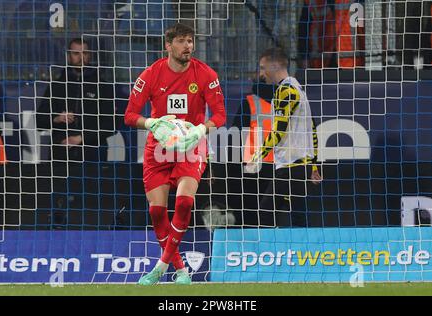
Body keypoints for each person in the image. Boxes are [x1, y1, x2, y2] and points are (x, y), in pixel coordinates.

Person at [124, 23, 226, 285]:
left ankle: (159, 268)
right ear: (168, 46)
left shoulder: (205, 74)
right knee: (157, 212)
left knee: (183, 203)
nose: (187, 46)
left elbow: (220, 115)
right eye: (181, 41)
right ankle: (180, 269)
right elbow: (130, 115)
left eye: (190, 41)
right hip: (158, 148)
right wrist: (151, 123)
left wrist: (201, 128)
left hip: (191, 146)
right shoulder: (150, 74)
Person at [36, 38, 116, 227]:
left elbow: (112, 123)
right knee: (58, 207)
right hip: (60, 157)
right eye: (76, 53)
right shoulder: (57, 85)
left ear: (90, 55)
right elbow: (39, 121)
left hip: (92, 156)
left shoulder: (102, 85)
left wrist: (81, 138)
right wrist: (56, 118)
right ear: (68, 56)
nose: (81, 58)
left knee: (90, 207)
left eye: (85, 53)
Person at [245, 47, 322, 227]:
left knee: (266, 212)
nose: (261, 73)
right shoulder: (298, 88)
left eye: (263, 67)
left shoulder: (285, 91)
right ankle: (298, 252)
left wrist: (257, 156)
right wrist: (313, 163)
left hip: (290, 166)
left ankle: (271, 253)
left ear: (274, 65)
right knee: (297, 215)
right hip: (299, 165)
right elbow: (312, 127)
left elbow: (278, 132)